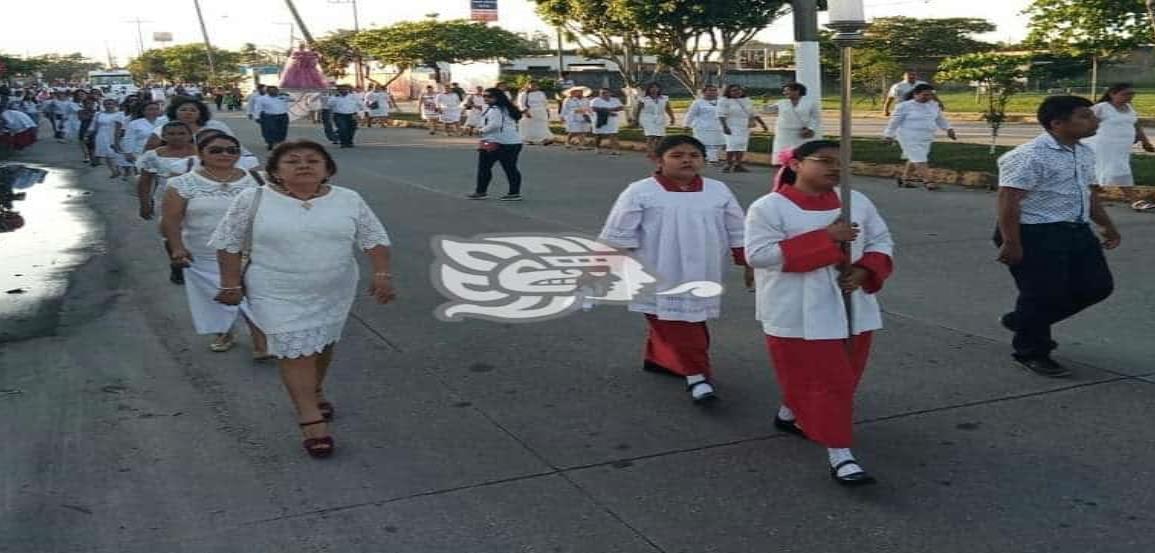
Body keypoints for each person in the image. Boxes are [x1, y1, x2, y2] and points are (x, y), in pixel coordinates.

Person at [209, 140, 395, 458]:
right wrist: (230, 285)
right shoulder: (252, 198)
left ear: (327, 169)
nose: (304, 165)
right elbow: (228, 243)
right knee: (294, 349)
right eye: (292, 161)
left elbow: (373, 237)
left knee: (323, 342)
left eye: (313, 160)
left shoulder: (348, 199)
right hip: (276, 289)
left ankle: (315, 389)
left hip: (333, 289)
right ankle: (311, 420)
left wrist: (381, 274)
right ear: (276, 172)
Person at [745, 139, 894, 486]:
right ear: (795, 164)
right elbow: (759, 255)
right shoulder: (769, 208)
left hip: (850, 304)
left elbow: (881, 239)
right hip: (796, 309)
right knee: (830, 381)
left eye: (841, 162)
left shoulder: (856, 201)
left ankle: (790, 412)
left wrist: (865, 270)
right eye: (824, 161)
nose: (835, 168)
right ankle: (840, 452)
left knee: (844, 374)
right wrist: (826, 239)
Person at [598, 135, 748, 404]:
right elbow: (619, 232)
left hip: (704, 271)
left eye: (694, 155)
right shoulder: (640, 191)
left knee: (683, 319)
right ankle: (697, 376)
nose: (687, 160)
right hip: (656, 271)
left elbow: (738, 228)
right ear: (657, 160)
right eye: (677, 155)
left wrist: (747, 261)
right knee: (680, 323)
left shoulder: (718, 190)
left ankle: (660, 359)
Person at [995, 95, 1119, 378]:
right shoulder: (1028, 156)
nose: (1094, 120)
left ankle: (1023, 321)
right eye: (1085, 116)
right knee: (1041, 294)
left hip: (1075, 229)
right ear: (1057, 124)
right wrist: (1011, 242)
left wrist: (1107, 225)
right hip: (1034, 232)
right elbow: (1008, 200)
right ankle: (1032, 351)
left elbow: (1086, 194)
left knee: (1097, 287)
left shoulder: (1083, 151)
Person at [161, 132, 270, 356]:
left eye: (232, 150)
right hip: (204, 252)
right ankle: (224, 331)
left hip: (253, 251)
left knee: (254, 295)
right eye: (216, 150)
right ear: (201, 153)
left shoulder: (259, 180)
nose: (225, 154)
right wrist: (177, 248)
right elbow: (171, 220)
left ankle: (261, 341)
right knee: (222, 294)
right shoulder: (182, 183)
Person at [136, 121, 199, 285]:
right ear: (163, 136)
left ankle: (197, 264)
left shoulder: (201, 153)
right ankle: (177, 262)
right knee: (170, 232)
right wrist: (144, 203)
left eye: (181, 133)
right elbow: (144, 181)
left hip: (197, 199)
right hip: (166, 199)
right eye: (171, 134)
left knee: (195, 231)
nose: (176, 137)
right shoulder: (153, 155)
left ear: (189, 135)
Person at [1083, 83, 1155, 211]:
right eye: (1126, 94)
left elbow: (1136, 125)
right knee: (1119, 170)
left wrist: (1145, 141)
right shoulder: (1102, 107)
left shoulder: (1129, 108)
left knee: (1101, 168)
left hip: (1122, 147)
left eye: (1132, 94)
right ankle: (1134, 200)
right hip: (1104, 145)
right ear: (1112, 94)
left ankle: (1091, 194)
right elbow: (1084, 121)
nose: (1129, 97)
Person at [882, 84, 957, 190]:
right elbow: (894, 122)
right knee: (920, 159)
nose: (928, 97)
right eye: (924, 95)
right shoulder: (904, 106)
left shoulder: (933, 105)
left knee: (914, 158)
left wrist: (949, 129)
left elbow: (940, 119)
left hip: (926, 137)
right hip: (908, 136)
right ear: (915, 94)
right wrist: (888, 135)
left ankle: (905, 179)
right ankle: (928, 181)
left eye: (930, 95)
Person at [468, 88, 525, 201]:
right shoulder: (507, 108)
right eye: (484, 96)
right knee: (510, 168)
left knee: (484, 167)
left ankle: (481, 191)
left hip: (496, 141)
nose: (486, 98)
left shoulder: (495, 109)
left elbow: (495, 124)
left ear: (497, 97)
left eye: (489, 96)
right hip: (512, 142)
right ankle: (514, 192)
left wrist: (480, 130)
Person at [763, 82, 822, 162]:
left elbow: (815, 118)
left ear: (797, 91)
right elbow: (767, 111)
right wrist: (765, 101)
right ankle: (783, 167)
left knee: (801, 151)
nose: (784, 93)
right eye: (784, 91)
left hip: (802, 132)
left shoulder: (810, 103)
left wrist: (810, 129)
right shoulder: (781, 102)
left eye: (787, 91)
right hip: (784, 132)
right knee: (783, 151)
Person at [146, 97, 234, 151]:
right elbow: (148, 154)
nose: (188, 113)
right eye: (183, 110)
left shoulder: (216, 126)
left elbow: (234, 146)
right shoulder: (162, 130)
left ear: (200, 113)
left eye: (193, 110)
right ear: (174, 112)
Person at [718, 84, 768, 173]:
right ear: (728, 92)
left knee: (741, 145)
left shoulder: (746, 100)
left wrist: (763, 124)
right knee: (732, 145)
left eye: (738, 90)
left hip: (744, 126)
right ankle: (728, 164)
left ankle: (738, 165)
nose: (737, 92)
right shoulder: (724, 101)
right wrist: (725, 127)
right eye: (733, 90)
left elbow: (754, 113)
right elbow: (721, 115)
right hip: (731, 126)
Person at [684, 85, 726, 167]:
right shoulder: (698, 102)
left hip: (718, 127)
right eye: (710, 90)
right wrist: (686, 125)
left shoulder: (722, 102)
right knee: (707, 144)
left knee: (719, 143)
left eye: (714, 90)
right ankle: (712, 160)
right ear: (704, 92)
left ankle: (714, 158)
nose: (713, 92)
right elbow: (690, 114)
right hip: (703, 127)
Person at [87, 98, 127, 179]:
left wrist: (120, 136)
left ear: (115, 105)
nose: (109, 106)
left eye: (110, 104)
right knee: (106, 154)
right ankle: (114, 171)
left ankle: (120, 169)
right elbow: (93, 124)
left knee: (115, 153)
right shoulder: (98, 114)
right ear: (103, 105)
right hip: (101, 135)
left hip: (113, 135)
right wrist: (88, 133)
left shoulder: (120, 114)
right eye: (106, 104)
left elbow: (122, 126)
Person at [632, 82, 676, 153]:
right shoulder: (644, 99)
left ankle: (657, 151)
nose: (654, 89)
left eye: (656, 87)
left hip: (660, 118)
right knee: (651, 135)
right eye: (652, 87)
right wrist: (636, 120)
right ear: (648, 89)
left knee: (660, 137)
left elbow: (668, 108)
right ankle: (650, 152)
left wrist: (672, 118)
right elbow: (638, 110)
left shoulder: (664, 98)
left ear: (659, 89)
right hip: (647, 118)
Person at [589, 88, 625, 155]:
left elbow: (621, 107)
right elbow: (594, 108)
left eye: (606, 92)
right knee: (599, 135)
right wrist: (608, 111)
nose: (604, 94)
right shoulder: (595, 100)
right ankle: (597, 147)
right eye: (602, 93)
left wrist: (610, 109)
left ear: (610, 93)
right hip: (600, 119)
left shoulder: (615, 100)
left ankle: (614, 150)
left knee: (613, 134)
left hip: (612, 120)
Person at [253, 86, 290, 151]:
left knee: (282, 130)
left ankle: (280, 143)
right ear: (267, 91)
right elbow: (257, 108)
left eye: (275, 90)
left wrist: (287, 94)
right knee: (270, 131)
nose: (273, 92)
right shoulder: (261, 99)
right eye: (271, 91)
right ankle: (270, 143)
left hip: (283, 116)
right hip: (269, 117)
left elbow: (294, 99)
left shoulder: (283, 97)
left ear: (278, 91)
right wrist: (257, 117)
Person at [517, 81, 554, 145]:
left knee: (542, 126)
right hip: (530, 112)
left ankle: (544, 139)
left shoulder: (541, 93)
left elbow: (545, 103)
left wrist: (547, 110)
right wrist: (525, 112)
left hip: (541, 112)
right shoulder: (524, 94)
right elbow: (521, 104)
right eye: (532, 85)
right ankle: (527, 140)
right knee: (528, 127)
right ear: (528, 85)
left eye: (535, 85)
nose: (534, 86)